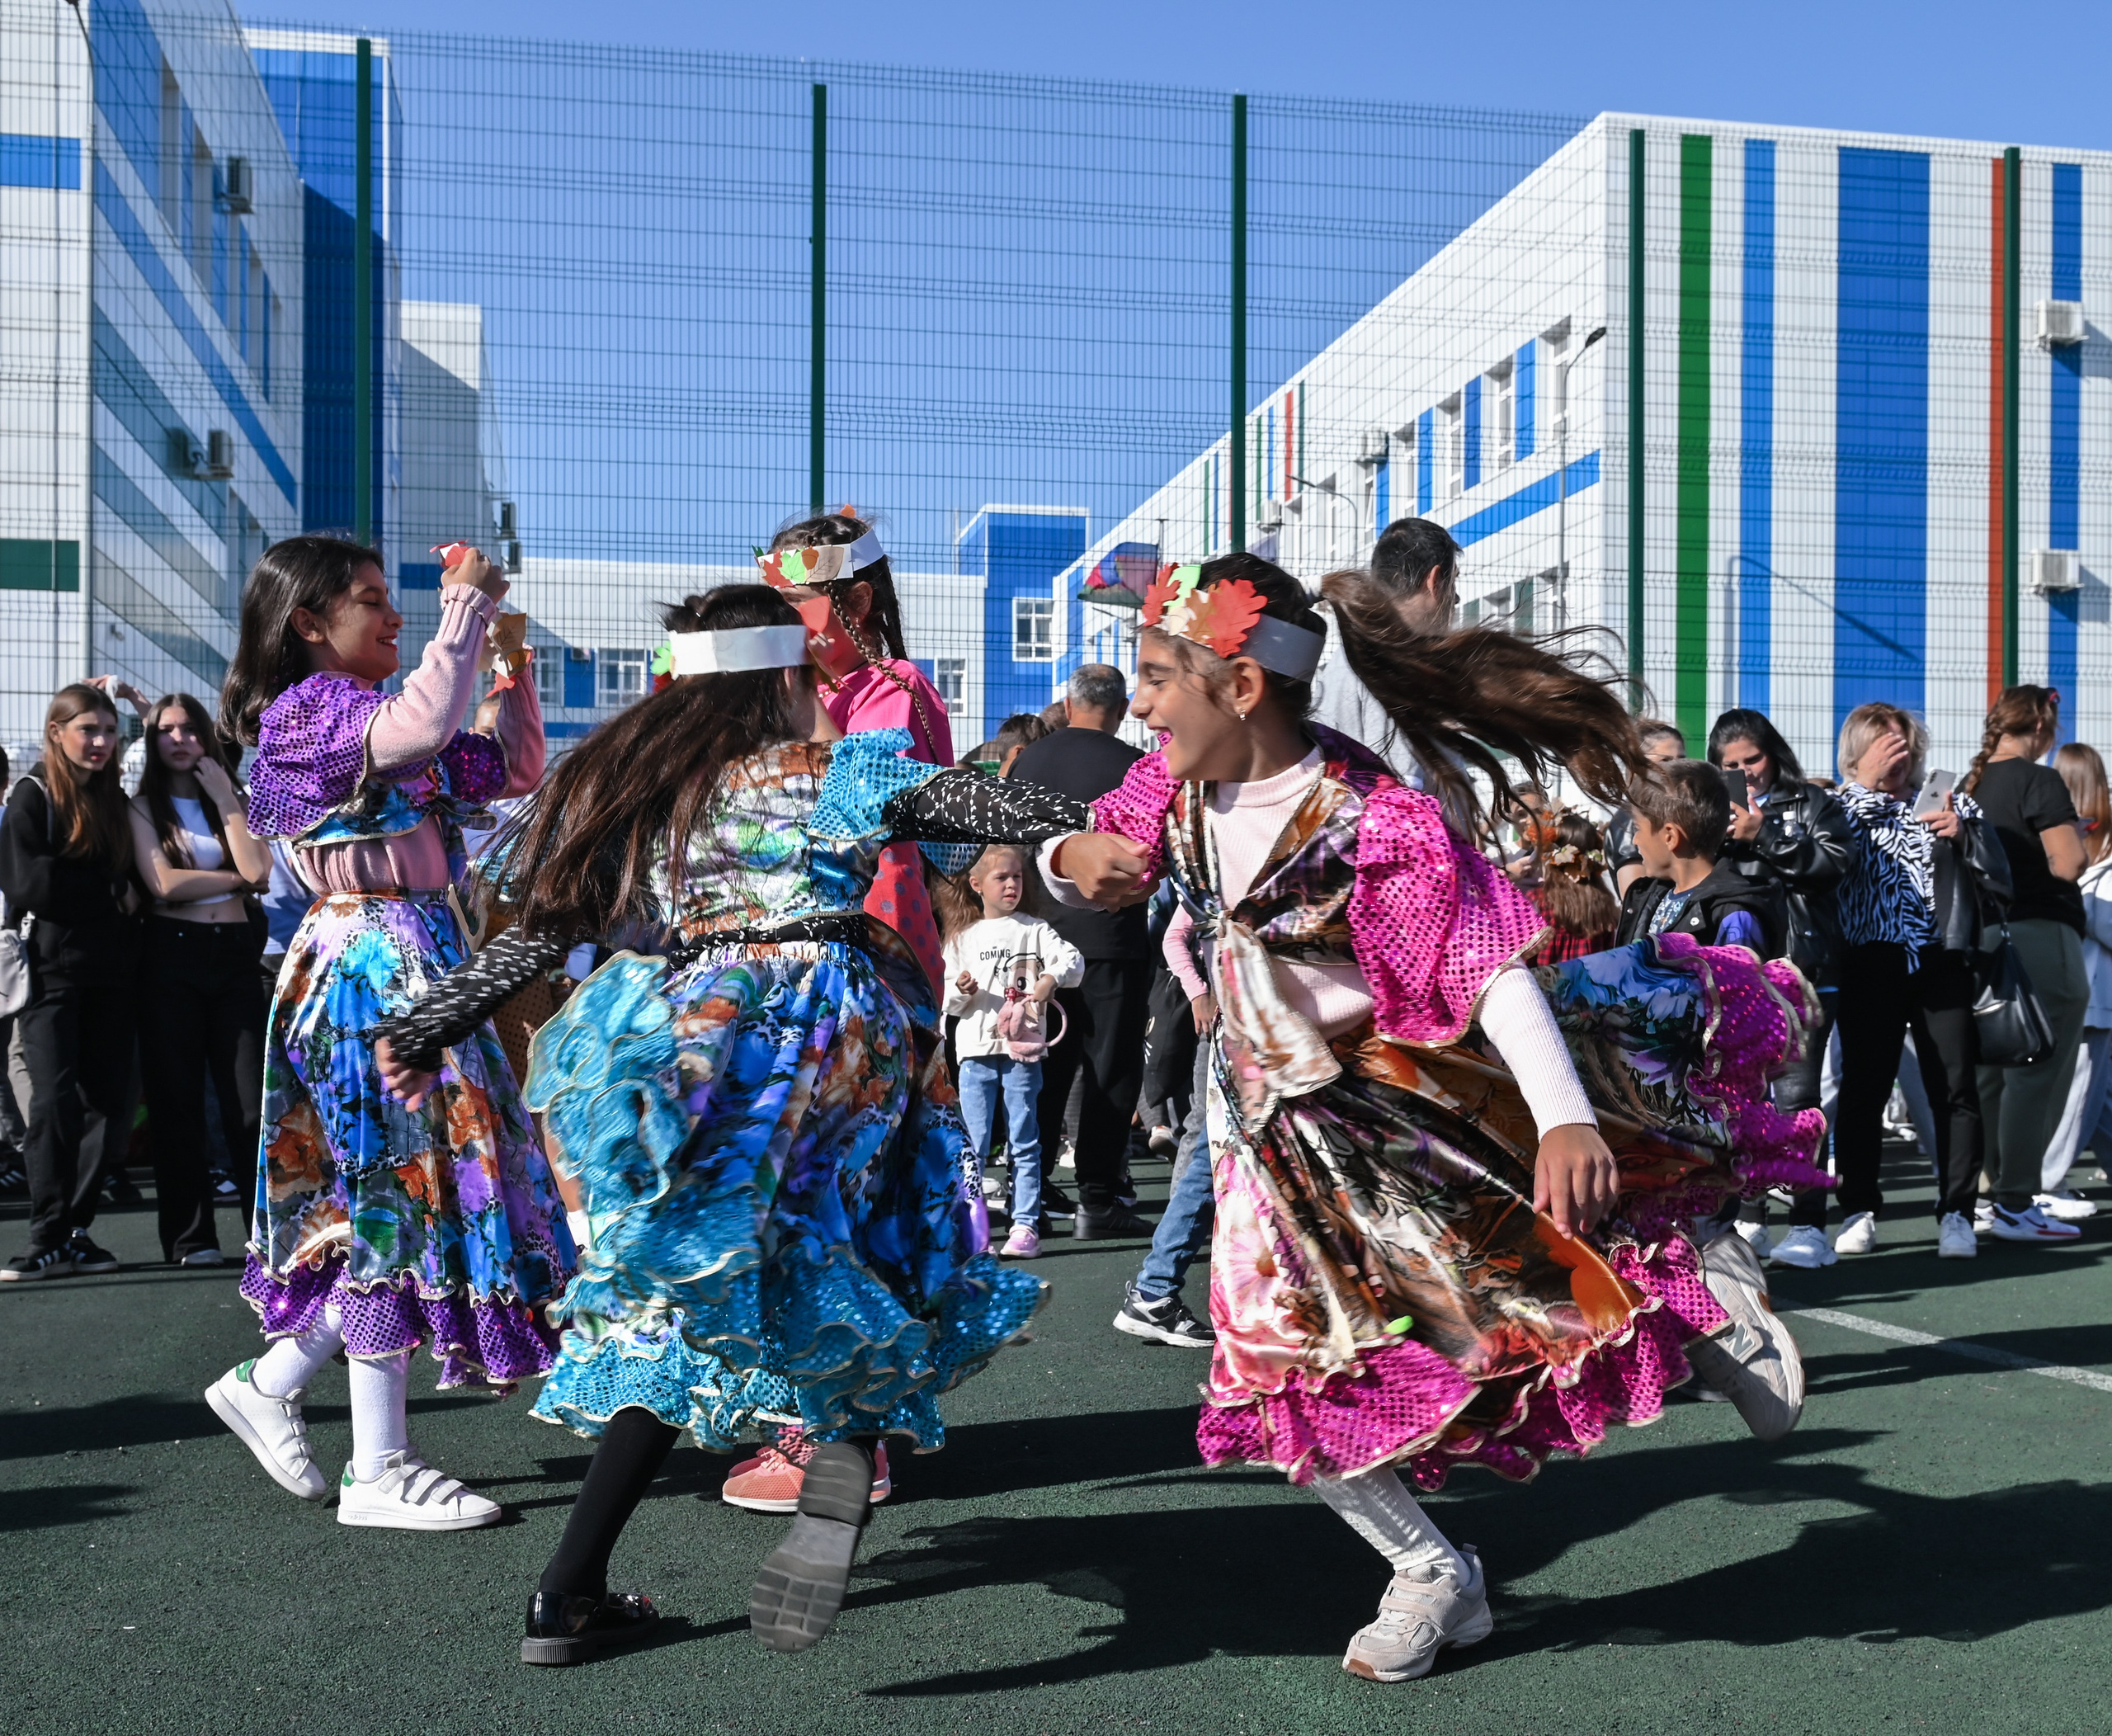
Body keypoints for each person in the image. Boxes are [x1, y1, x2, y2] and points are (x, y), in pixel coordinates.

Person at [1073, 554, 1822, 1683]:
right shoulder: (1171, 788)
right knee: (1274, 1375)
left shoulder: (1375, 819)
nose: (1137, 702)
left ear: (1239, 690)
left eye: (1156, 676)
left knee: (1514, 1306)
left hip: (1397, 1113)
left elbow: (1490, 969)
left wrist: (1567, 1118)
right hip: (1272, 1141)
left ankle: (1694, 1290)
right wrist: (1069, 854)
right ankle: (1433, 1573)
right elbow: (1089, 839)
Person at [365, 583, 1143, 1662]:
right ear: (786, 679)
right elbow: (984, 815)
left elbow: (542, 931)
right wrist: (1077, 844)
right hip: (830, 1030)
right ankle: (837, 1484)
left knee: (683, 1293)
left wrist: (427, 1025)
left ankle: (568, 1586)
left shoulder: (648, 787)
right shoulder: (836, 769)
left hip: (693, 1037)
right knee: (883, 1248)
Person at [200, 535, 571, 1531]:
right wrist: (462, 609)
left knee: (413, 1194)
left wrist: (508, 664)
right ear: (307, 623)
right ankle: (377, 1465)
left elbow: (514, 764)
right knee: (393, 1196)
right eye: (370, 600)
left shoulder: (372, 712)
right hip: (366, 968)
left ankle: (277, 1381)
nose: (393, 614)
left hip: (412, 961)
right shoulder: (306, 714)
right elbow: (417, 729)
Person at [1771, 703, 1994, 1267]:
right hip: (1870, 958)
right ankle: (1859, 1207)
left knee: (1955, 1087)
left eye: (1903, 745)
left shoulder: (1951, 800)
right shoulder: (1838, 807)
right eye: (1883, 745)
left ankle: (1958, 1212)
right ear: (1858, 750)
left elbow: (1999, 876)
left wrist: (1964, 836)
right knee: (1865, 1087)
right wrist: (1865, 784)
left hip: (1940, 956)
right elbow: (1825, 860)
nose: (1897, 757)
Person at [759, 512, 954, 1000]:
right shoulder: (793, 695)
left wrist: (804, 699)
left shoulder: (896, 686)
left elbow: (858, 806)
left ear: (860, 601)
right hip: (796, 931)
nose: (780, 623)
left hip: (878, 931)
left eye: (794, 605)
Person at [0, 685, 144, 1281]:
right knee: (55, 1104)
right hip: (51, 972)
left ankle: (75, 1233)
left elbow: (132, 881)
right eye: (88, 730)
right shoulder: (33, 796)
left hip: (111, 973)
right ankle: (46, 1235)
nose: (101, 742)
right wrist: (110, 893)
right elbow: (32, 885)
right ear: (56, 732)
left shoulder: (113, 798)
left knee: (108, 1106)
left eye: (109, 731)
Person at [1008, 663, 1156, 1239]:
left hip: (1037, 936)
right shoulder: (1136, 769)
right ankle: (1098, 1195)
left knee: (1040, 1064)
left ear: (1069, 707)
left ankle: (1032, 1190)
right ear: (1120, 711)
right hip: (1113, 939)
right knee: (1108, 1071)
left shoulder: (1030, 761)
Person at [128, 693, 274, 1267]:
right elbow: (162, 884)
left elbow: (259, 870)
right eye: (167, 730)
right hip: (172, 958)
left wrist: (224, 799)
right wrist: (233, 878)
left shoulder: (229, 799)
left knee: (249, 1106)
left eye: (191, 729)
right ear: (153, 739)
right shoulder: (142, 808)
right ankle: (192, 1239)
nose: (180, 739)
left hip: (234, 958)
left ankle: (264, 1238)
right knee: (177, 1102)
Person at [1706, 709, 1854, 1254]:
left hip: (1802, 968)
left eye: (1754, 759)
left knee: (1797, 1097)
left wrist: (1763, 833)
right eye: (1731, 765)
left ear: (1775, 753)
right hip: (1734, 971)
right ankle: (1750, 1217)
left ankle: (1810, 1224)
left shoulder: (1812, 803)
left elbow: (1835, 864)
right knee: (1740, 1099)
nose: (1746, 773)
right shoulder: (1712, 811)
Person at [1962, 687, 2090, 1246]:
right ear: (2041, 724)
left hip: (1980, 937)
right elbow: (2068, 863)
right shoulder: (2041, 781)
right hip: (2039, 935)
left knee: (1992, 1070)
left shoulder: (1969, 784)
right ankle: (2016, 1199)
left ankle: (1996, 1195)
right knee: (2039, 1068)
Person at [944, 845, 1083, 1258]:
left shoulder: (1035, 930)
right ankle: (974, 1228)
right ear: (976, 886)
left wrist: (1049, 980)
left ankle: (1024, 1225)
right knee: (975, 1141)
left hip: (1023, 1050)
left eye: (1017, 877)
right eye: (1001, 878)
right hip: (975, 1052)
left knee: (1024, 1139)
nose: (1011, 885)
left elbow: (1072, 961)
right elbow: (945, 997)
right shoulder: (962, 939)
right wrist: (961, 990)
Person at [2040, 742, 2112, 1219]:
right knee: (2082, 1091)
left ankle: (2042, 1178)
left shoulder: (2054, 844)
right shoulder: (2081, 854)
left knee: (2099, 1096)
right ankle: (2045, 1180)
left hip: (2074, 988)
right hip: (2091, 995)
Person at [1613, 761, 1782, 955]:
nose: (1635, 840)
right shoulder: (1650, 897)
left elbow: (1742, 982)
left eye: (1638, 828)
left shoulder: (1734, 914)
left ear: (1670, 836)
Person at [1525, 812, 1619, 962]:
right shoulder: (1604, 901)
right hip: (1588, 983)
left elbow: (1525, 957)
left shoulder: (1538, 901)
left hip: (1546, 984)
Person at [1607, 719, 1686, 894]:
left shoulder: (1667, 810)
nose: (1676, 768)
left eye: (1681, 760)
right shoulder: (1630, 819)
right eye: (1665, 760)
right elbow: (1636, 900)